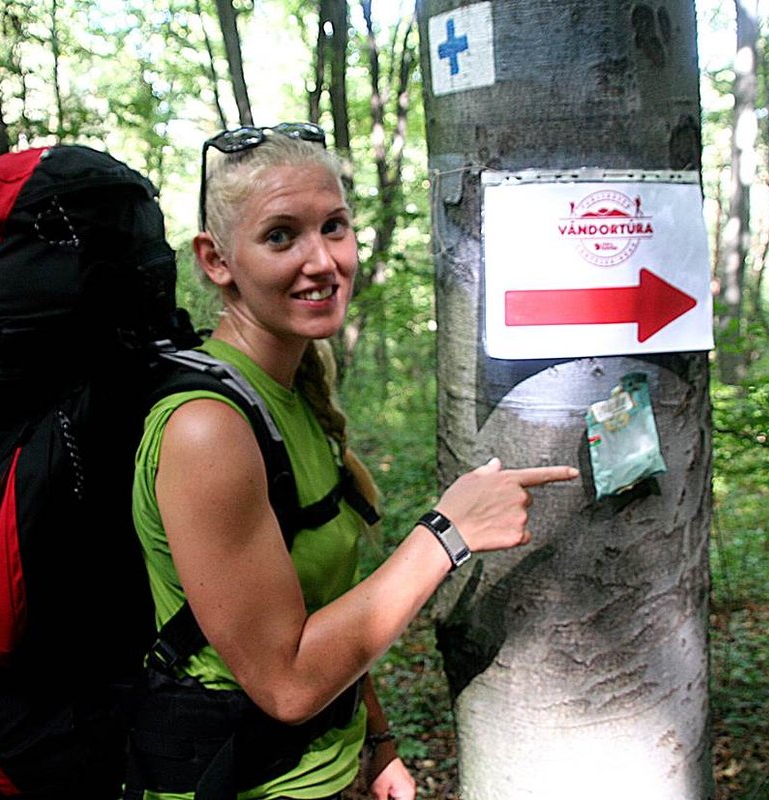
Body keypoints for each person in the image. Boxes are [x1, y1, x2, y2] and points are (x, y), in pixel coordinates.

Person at [128, 122, 579, 800]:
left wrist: (377, 742)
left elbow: (320, 606)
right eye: (281, 235)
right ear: (216, 260)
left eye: (333, 227)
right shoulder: (207, 430)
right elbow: (284, 682)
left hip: (325, 773)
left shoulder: (293, 395)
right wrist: (447, 536)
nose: (321, 261)